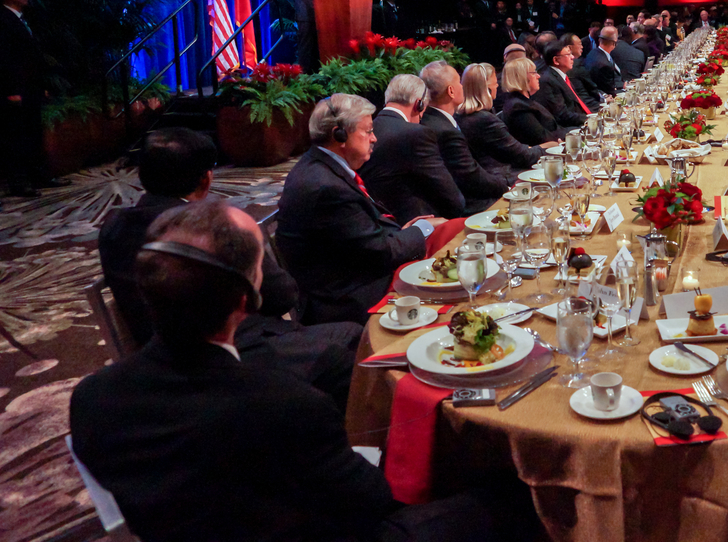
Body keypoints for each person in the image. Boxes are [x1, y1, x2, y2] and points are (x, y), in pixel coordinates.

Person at [72, 200, 507, 542]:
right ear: (247, 300)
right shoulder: (286, 404)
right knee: (501, 496)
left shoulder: (92, 399)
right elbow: (372, 500)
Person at [98, 128, 361, 407]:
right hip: (232, 351)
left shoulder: (112, 227)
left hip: (158, 352)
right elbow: (282, 296)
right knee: (349, 340)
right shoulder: (216, 228)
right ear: (206, 178)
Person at [277, 94, 438, 325]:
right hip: (348, 299)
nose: (374, 138)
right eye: (368, 131)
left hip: (354, 275)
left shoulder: (320, 165)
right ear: (339, 135)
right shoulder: (326, 187)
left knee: (445, 241)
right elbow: (380, 253)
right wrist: (421, 230)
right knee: (444, 267)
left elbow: (364, 241)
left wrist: (405, 233)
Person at [358, 75, 466, 224]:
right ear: (419, 104)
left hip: (380, 223)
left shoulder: (368, 130)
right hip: (416, 226)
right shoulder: (416, 134)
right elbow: (451, 197)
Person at [419, 61, 509, 212]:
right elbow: (470, 176)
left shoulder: (428, 120)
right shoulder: (445, 131)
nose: (463, 86)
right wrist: (506, 187)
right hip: (465, 205)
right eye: (459, 82)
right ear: (451, 91)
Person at [1, 0, 55, 196]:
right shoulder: (3, 20)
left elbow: (30, 58)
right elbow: (4, 59)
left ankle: (38, 176)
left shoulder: (23, 20)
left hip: (29, 87)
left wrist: (40, 86)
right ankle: (18, 183)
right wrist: (10, 90)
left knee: (33, 132)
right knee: (17, 136)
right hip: (16, 90)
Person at [458, 63, 548, 181]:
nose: (497, 87)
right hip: (500, 179)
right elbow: (522, 156)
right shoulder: (484, 119)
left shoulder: (461, 116)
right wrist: (549, 149)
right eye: (495, 84)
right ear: (487, 89)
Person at [502, 58, 564, 146]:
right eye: (534, 72)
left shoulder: (525, 100)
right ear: (521, 76)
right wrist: (571, 137)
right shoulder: (517, 107)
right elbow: (542, 138)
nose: (538, 76)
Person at [535, 38, 590, 128]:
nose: (572, 57)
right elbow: (562, 114)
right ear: (556, 60)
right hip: (568, 129)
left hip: (579, 120)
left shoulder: (560, 75)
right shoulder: (547, 81)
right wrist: (589, 119)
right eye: (568, 54)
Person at [584, 26, 623, 96]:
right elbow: (610, 91)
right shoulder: (604, 65)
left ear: (599, 40)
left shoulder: (592, 53)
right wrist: (624, 87)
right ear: (614, 43)